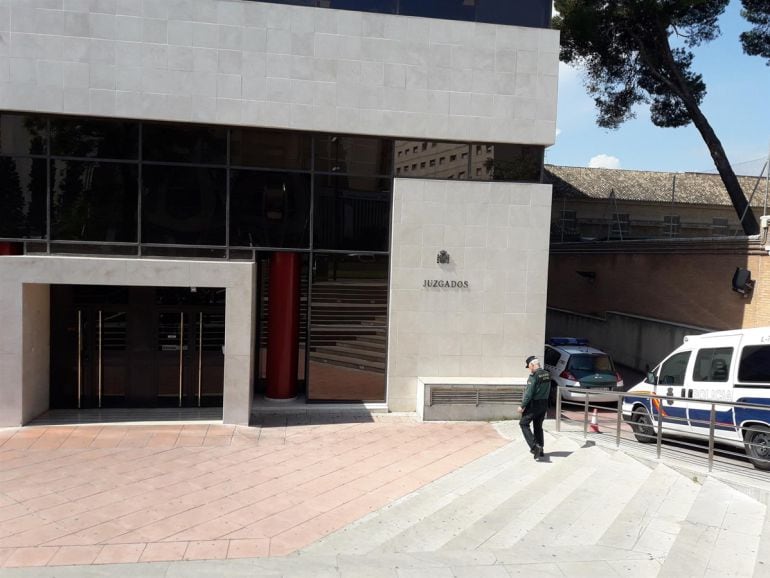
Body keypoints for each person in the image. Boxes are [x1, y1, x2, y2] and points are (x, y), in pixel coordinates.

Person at [518, 355, 550, 460]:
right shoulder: (547, 374)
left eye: (529, 366)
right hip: (544, 404)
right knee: (538, 426)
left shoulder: (533, 376)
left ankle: (534, 447)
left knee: (523, 423)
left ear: (532, 365)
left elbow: (528, 394)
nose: (529, 369)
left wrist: (522, 406)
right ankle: (540, 450)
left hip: (534, 404)